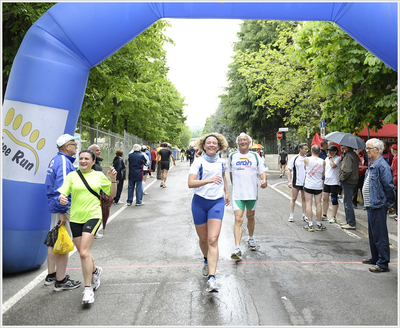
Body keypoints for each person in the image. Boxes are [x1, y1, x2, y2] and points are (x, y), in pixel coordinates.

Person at [58, 149, 117, 304]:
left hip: (93, 215)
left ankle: (87, 289)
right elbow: (62, 194)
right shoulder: (72, 176)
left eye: (86, 159)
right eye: (81, 158)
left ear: (93, 161)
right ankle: (95, 270)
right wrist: (62, 199)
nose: (83, 161)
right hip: (76, 217)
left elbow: (112, 194)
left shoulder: (98, 176)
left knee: (84, 253)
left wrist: (113, 180)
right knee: (83, 253)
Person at [188, 133, 230, 292]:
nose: (211, 145)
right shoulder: (198, 162)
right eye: (208, 143)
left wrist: (226, 193)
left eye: (214, 143)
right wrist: (209, 180)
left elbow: (223, 177)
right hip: (199, 202)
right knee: (203, 238)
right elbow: (190, 183)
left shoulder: (222, 162)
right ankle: (206, 259)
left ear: (219, 146)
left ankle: (212, 278)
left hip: (216, 202)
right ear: (203, 146)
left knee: (213, 239)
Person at [45, 134, 81, 291]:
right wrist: (62, 211)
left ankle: (51, 275)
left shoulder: (55, 160)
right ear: (67, 146)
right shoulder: (64, 162)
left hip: (55, 205)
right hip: (62, 207)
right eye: (74, 144)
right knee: (64, 241)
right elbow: (63, 189)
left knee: (54, 239)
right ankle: (61, 280)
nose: (76, 147)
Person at [228, 133, 268, 260]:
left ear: (249, 142)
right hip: (237, 194)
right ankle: (237, 248)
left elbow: (262, 171)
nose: (242, 141)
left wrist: (264, 180)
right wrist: (235, 186)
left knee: (250, 216)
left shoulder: (255, 156)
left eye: (245, 139)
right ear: (237, 143)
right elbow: (230, 173)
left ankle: (251, 239)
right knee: (238, 219)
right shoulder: (232, 156)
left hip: (251, 193)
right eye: (240, 140)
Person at [361, 138, 395, 273]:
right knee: (373, 234)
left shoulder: (382, 166)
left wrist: (389, 203)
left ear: (377, 149)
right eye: (366, 148)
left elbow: (389, 186)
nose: (367, 151)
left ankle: (383, 263)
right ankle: (375, 257)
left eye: (369, 148)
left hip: (378, 204)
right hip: (371, 204)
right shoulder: (373, 164)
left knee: (380, 234)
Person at [303, 145, 326, 232]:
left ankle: (310, 224)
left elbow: (305, 169)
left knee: (308, 203)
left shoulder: (306, 159)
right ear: (319, 151)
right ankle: (319, 224)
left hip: (309, 184)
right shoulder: (323, 161)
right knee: (318, 204)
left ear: (311, 151)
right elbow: (323, 174)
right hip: (318, 185)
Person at [339, 145, 359, 230]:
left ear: (347, 147)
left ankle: (351, 223)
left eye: (343, 147)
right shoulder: (354, 155)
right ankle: (348, 221)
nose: (342, 148)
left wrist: (341, 178)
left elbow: (347, 170)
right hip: (353, 180)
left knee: (348, 202)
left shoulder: (348, 156)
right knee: (348, 201)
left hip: (348, 180)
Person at [287, 143, 309, 222]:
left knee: (304, 198)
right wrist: (289, 181)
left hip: (305, 182)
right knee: (294, 198)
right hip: (295, 182)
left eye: (307, 149)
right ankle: (291, 215)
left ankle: (304, 214)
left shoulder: (308, 158)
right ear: (300, 149)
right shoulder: (294, 158)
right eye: (305, 149)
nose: (307, 150)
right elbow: (289, 170)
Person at [322, 145, 341, 223]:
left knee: (333, 199)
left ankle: (333, 216)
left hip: (334, 182)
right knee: (324, 198)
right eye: (329, 150)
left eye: (331, 151)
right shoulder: (326, 158)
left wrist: (330, 158)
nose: (329, 152)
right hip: (327, 181)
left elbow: (333, 166)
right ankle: (324, 214)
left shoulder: (338, 158)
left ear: (335, 151)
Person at [390, 144, 398, 220]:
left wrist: (395, 183)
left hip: (396, 180)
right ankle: (396, 213)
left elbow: (396, 171)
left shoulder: (396, 158)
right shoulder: (395, 158)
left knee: (397, 197)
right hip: (395, 179)